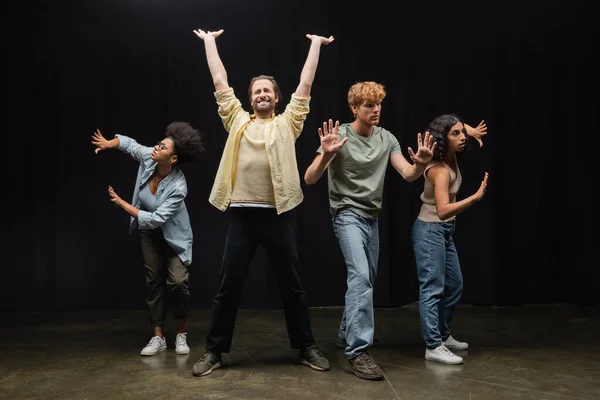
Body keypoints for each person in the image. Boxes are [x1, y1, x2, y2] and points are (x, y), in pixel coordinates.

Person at [190, 28, 334, 376]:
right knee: (228, 288)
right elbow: (220, 80)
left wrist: (315, 46)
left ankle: (305, 346)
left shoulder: (289, 124)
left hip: (279, 216)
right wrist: (210, 42)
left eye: (267, 89)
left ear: (277, 97)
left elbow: (306, 84)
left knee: (293, 287)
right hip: (241, 215)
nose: (262, 94)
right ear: (250, 98)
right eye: (257, 91)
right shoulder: (236, 120)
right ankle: (215, 351)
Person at [304, 81, 436, 380]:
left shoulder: (386, 138)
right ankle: (357, 352)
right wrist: (325, 154)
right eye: (368, 105)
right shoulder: (340, 135)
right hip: (346, 214)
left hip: (371, 218)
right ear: (354, 108)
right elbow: (310, 178)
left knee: (367, 279)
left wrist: (421, 165)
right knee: (361, 276)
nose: (375, 109)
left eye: (378, 104)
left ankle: (345, 335)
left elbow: (407, 173)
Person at [91, 122, 204, 356]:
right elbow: (131, 146)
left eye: (162, 147)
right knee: (154, 280)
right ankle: (158, 337)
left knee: (178, 282)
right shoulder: (150, 158)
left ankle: (181, 333)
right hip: (149, 233)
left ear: (172, 159)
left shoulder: (179, 186)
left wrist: (123, 203)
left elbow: (156, 219)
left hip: (174, 235)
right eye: (159, 143)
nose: (155, 147)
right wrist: (110, 143)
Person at [411, 114, 488, 365]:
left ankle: (443, 335)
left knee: (454, 286)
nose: (462, 137)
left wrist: (470, 130)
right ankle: (433, 345)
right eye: (456, 134)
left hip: (444, 231)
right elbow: (443, 210)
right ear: (444, 140)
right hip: (431, 229)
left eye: (462, 132)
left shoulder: (451, 158)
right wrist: (475, 198)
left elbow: (451, 125)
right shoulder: (439, 171)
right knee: (432, 289)